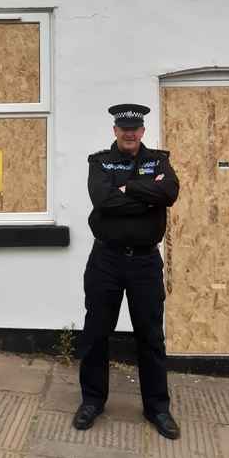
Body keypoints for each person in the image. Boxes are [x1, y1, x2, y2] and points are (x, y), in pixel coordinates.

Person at [73, 103, 181, 440]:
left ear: (143, 131)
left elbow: (170, 192)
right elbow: (103, 201)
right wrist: (148, 195)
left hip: (145, 263)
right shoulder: (100, 162)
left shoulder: (159, 160)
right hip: (106, 260)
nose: (130, 132)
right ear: (115, 131)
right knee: (96, 332)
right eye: (124, 128)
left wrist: (128, 188)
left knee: (150, 336)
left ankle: (157, 408)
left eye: (136, 127)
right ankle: (92, 401)